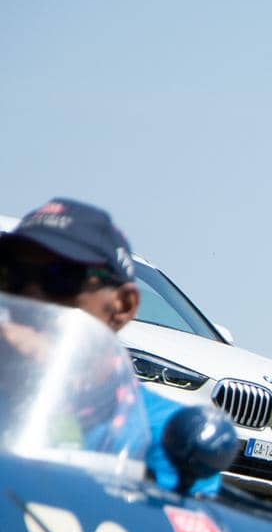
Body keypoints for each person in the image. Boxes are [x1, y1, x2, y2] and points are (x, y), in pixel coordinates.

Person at [0, 198, 220, 493]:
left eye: (62, 278)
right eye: (11, 275)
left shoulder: (168, 435)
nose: (30, 294)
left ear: (123, 305)